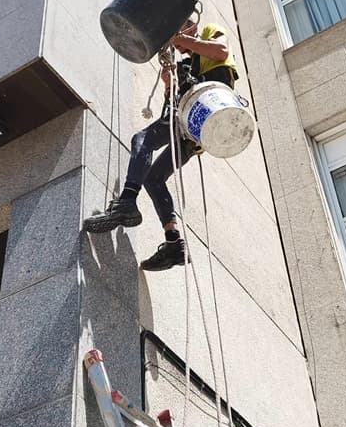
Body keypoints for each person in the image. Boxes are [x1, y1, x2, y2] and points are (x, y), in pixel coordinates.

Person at [84, 19, 238, 271]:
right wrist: (169, 84)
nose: (180, 44)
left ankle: (126, 202)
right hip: (191, 127)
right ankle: (174, 243)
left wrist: (181, 39)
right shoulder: (185, 65)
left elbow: (221, 51)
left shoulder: (209, 33)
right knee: (154, 179)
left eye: (181, 29)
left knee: (142, 139)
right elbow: (172, 106)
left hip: (203, 113)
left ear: (190, 24)